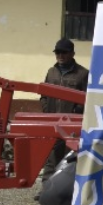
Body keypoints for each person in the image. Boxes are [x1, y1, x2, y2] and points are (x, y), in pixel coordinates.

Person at [40, 37, 88, 179]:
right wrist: (46, 109)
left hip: (72, 123)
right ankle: (46, 189)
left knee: (69, 157)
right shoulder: (51, 72)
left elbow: (87, 98)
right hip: (53, 121)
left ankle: (66, 191)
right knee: (51, 156)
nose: (60, 56)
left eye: (64, 53)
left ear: (72, 54)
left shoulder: (83, 74)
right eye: (58, 53)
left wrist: (75, 112)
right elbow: (43, 94)